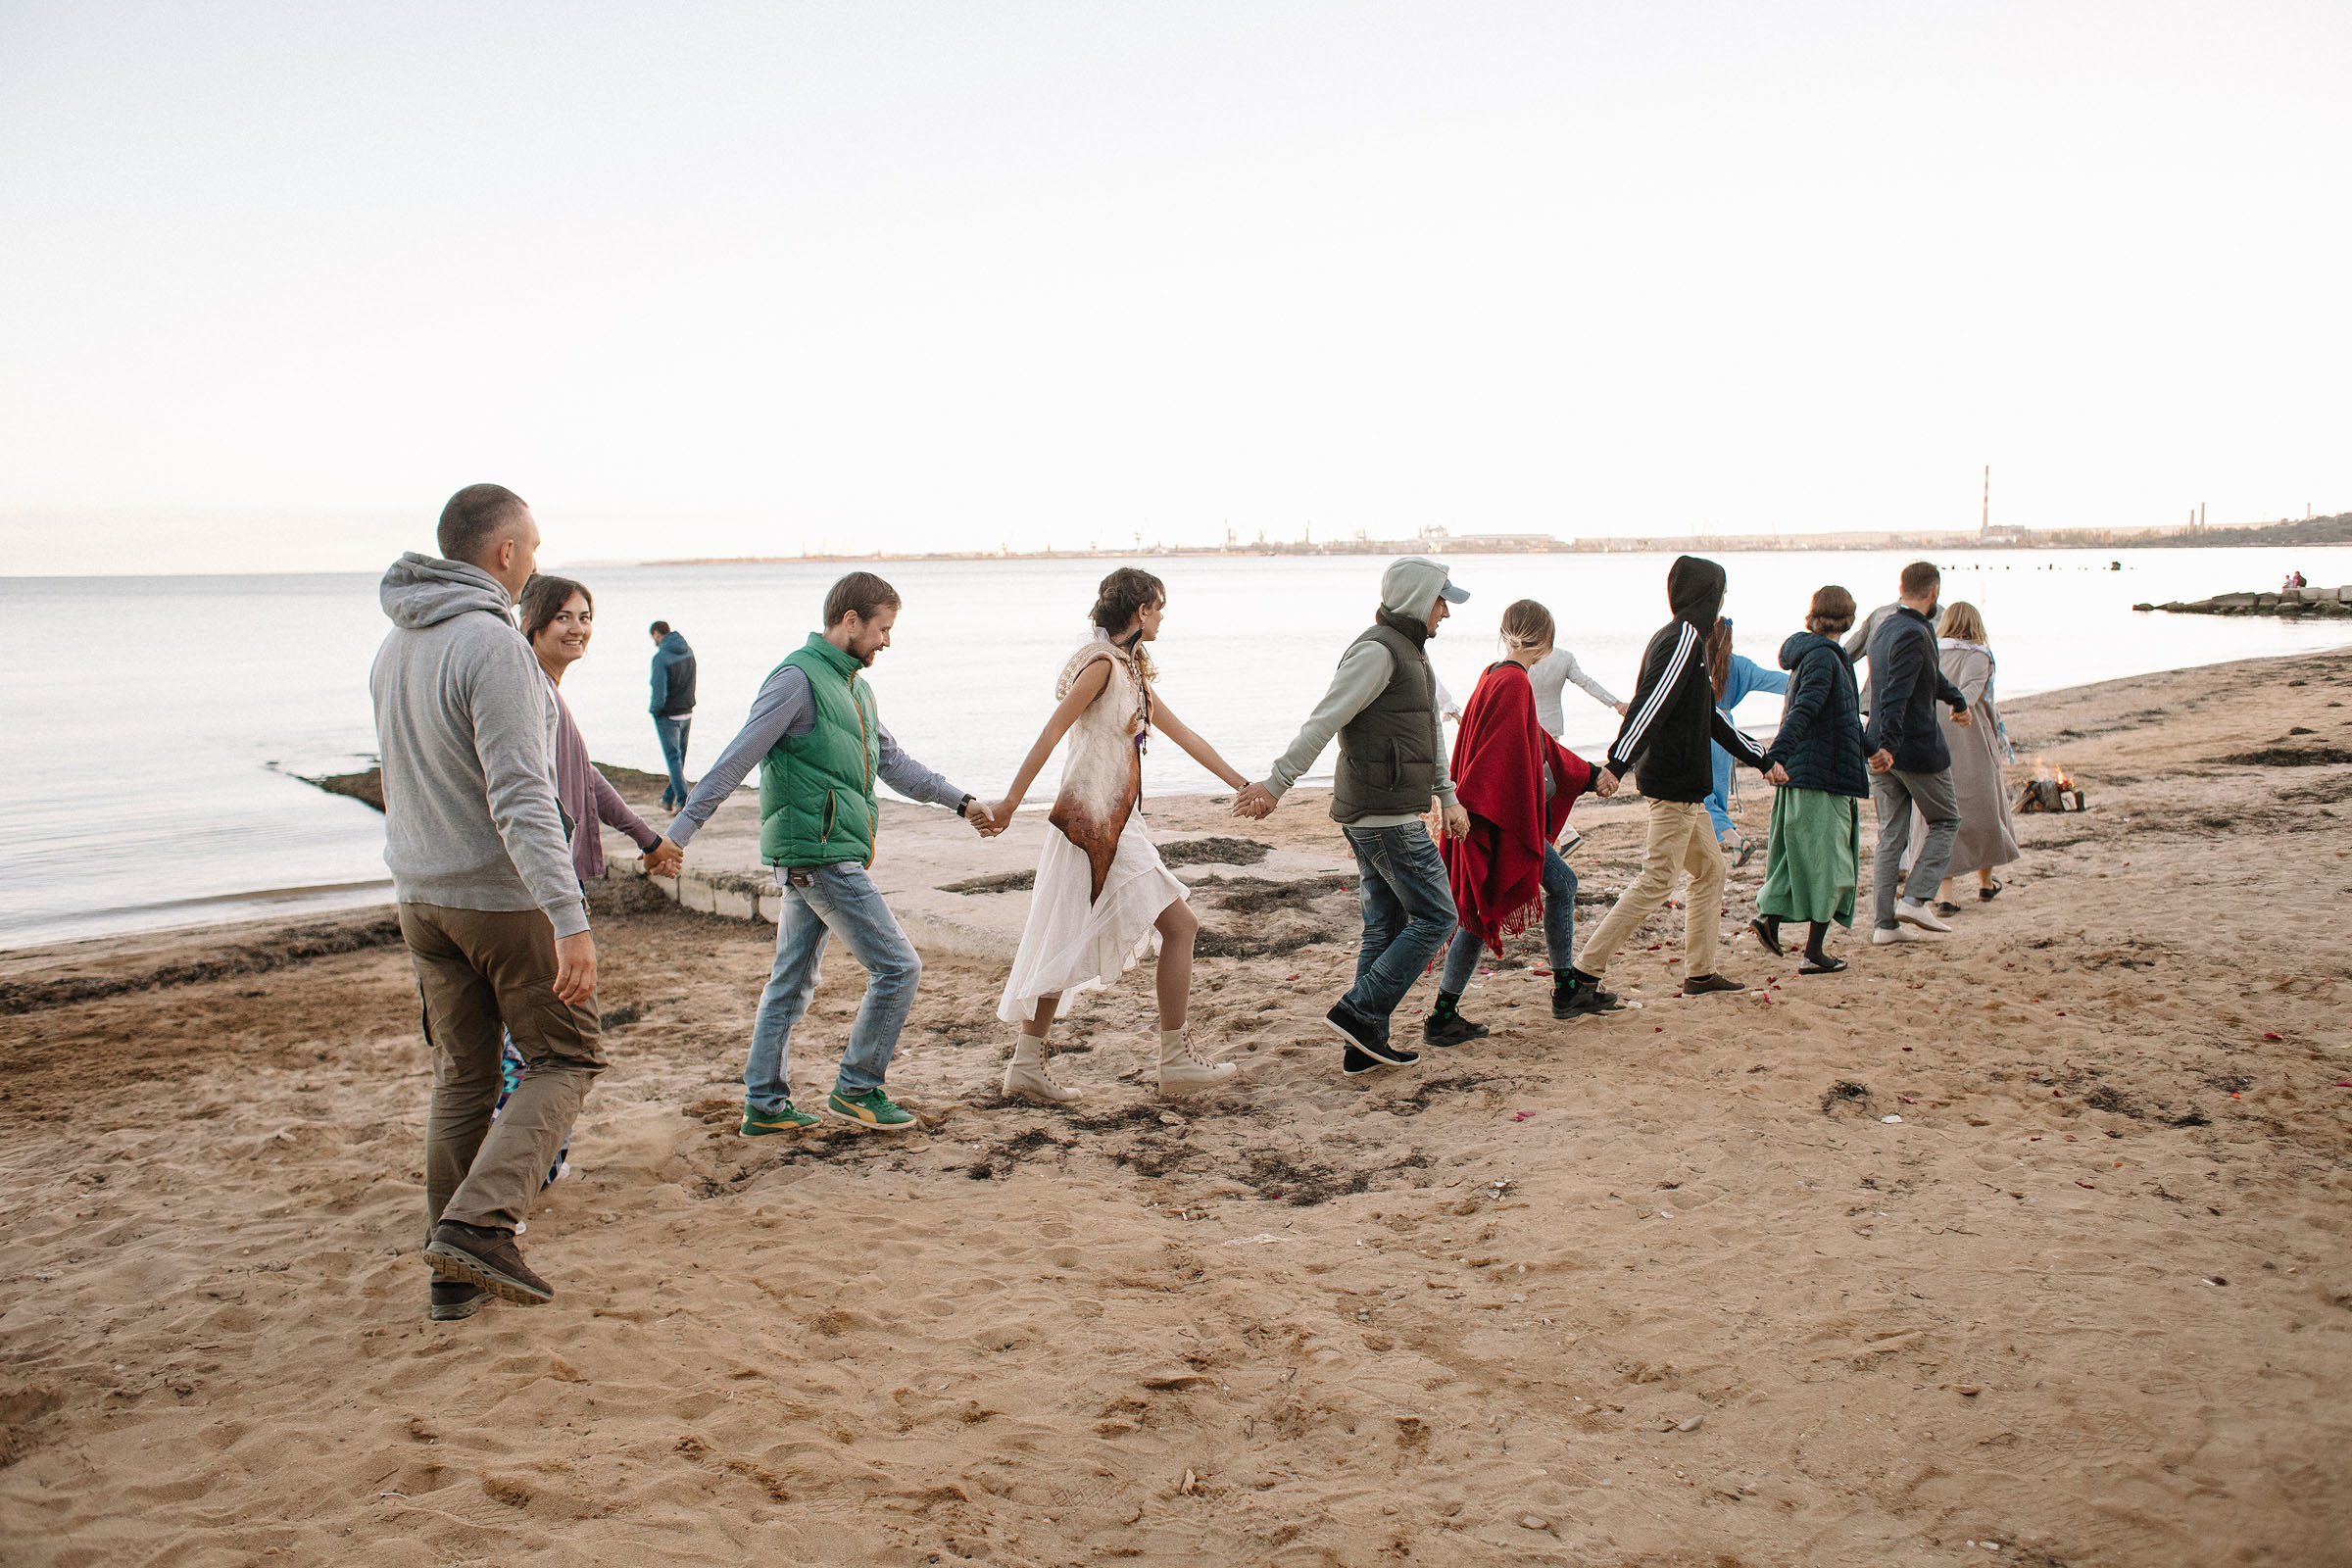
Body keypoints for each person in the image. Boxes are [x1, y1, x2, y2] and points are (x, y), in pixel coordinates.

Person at [371, 483, 602, 1320]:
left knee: (463, 1079)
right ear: (505, 555)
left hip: (421, 898)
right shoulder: (492, 646)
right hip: (497, 899)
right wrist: (569, 915)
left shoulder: (395, 647)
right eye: (532, 550)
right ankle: (477, 1225)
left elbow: (404, 781)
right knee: (567, 1057)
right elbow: (521, 796)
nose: (535, 561)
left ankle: (450, 1277)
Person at [654, 572, 996, 1135]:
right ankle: (859, 1088)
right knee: (899, 966)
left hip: (828, 853)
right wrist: (679, 834)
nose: (887, 641)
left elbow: (893, 762)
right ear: (850, 621)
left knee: (791, 981)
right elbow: (735, 760)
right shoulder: (795, 680)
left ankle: (763, 1106)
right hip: (819, 856)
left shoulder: (855, 687)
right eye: (882, 629)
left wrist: (961, 802)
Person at [988, 568, 1253, 1102]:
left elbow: (1186, 736)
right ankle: (1175, 1062)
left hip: (1113, 823)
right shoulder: (1103, 667)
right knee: (1180, 926)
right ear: (1140, 612)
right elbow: (1051, 733)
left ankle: (1026, 1065)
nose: (1162, 617)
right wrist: (1011, 803)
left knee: (1065, 933)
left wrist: (1244, 785)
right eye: (1158, 607)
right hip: (1091, 825)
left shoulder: (1131, 672)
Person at [1233, 557, 1471, 1075]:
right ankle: (1361, 1012)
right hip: (1384, 815)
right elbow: (1323, 721)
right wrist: (1276, 784)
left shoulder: (1412, 653)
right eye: (1441, 601)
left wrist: (1446, 795)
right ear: (1417, 599)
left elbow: (1430, 734)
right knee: (1438, 916)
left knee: (1384, 926)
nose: (1446, 614)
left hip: (1386, 811)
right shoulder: (1376, 653)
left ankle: (1362, 1045)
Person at [1565, 557, 1785, 1004]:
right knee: (1658, 880)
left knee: (1710, 869)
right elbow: (1650, 704)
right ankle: (1583, 977)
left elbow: (1711, 720)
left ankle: (1700, 975)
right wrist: (1616, 764)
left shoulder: (1689, 641)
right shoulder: (1683, 637)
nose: (1723, 603)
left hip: (1685, 788)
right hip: (1672, 785)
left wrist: (1761, 760)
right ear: (1708, 596)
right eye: (1720, 594)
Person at [1426, 599, 1603, 1045]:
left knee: (1486, 909)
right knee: (1497, 906)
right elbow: (1507, 757)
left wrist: (1587, 774)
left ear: (1505, 631)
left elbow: (1533, 744)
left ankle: (1447, 1013)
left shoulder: (1492, 675)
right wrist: (1589, 775)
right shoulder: (1514, 684)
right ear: (1546, 643)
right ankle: (1562, 993)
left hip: (1482, 814)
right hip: (1497, 819)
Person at [523, 577, 683, 886]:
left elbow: (584, 776)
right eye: (562, 617)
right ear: (532, 623)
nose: (577, 629)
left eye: (584, 618)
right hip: (542, 877)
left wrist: (648, 840)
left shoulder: (545, 690)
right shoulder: (535, 692)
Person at [1750, 587, 1873, 974]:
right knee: (1832, 866)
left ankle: (1770, 920)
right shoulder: (1824, 658)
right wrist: (1775, 757)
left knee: (1794, 859)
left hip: (1806, 776)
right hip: (1822, 777)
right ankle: (1813, 953)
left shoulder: (1817, 656)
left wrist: (1872, 750)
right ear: (1849, 620)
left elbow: (1842, 717)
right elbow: (1803, 712)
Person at [1864, 561, 1973, 945]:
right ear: (1935, 592)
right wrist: (1890, 745)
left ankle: (1884, 926)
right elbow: (1896, 691)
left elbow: (1929, 677)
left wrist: (1956, 699)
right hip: (1909, 747)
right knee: (1946, 820)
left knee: (1891, 836)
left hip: (1880, 744)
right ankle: (1914, 898)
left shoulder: (1884, 626)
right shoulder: (1914, 632)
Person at [1923, 601, 2019, 912]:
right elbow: (1972, 691)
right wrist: (1961, 708)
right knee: (1984, 810)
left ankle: (1947, 891)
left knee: (1941, 813)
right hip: (1971, 737)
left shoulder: (1931, 651)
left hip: (1933, 737)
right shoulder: (1979, 655)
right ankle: (1984, 883)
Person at [1700, 617, 1788, 863]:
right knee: (1717, 793)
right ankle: (1732, 843)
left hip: (1703, 729)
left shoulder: (1698, 662)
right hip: (1727, 733)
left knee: (1703, 797)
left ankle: (1736, 840)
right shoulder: (1740, 666)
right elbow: (1778, 681)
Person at [1526, 642, 1629, 738]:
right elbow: (1587, 683)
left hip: (1525, 723)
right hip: (1552, 724)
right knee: (1548, 757)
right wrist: (1616, 703)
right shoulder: (1564, 657)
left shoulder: (1521, 657)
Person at [649, 620, 698, 813]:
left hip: (668, 715)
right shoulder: (688, 651)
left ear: (656, 634)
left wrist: (655, 710)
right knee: (679, 758)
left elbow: (658, 690)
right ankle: (668, 799)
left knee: (673, 758)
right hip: (686, 710)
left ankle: (683, 800)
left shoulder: (661, 658)